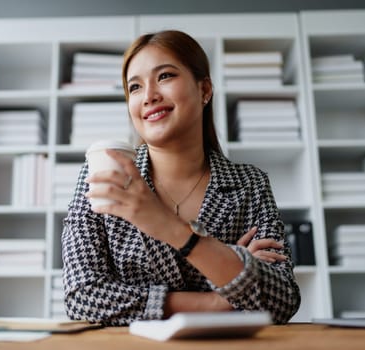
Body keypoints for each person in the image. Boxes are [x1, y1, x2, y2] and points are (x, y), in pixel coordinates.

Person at [62, 30, 301, 326]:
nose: (148, 96)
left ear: (204, 90)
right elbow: (82, 296)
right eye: (134, 87)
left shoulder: (250, 184)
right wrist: (222, 290)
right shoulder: (103, 175)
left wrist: (172, 230)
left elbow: (282, 300)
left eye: (164, 76)